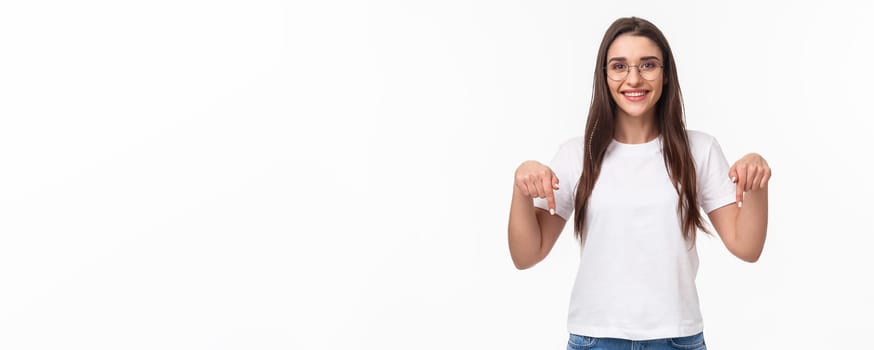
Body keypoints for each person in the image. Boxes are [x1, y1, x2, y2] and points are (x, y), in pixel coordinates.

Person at [507, 17, 770, 350]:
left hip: (676, 339)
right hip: (596, 339)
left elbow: (747, 247)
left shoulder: (699, 151)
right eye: (619, 66)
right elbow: (526, 254)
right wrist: (520, 189)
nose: (634, 78)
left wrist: (756, 184)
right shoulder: (578, 155)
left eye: (648, 65)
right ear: (604, 75)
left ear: (666, 74)